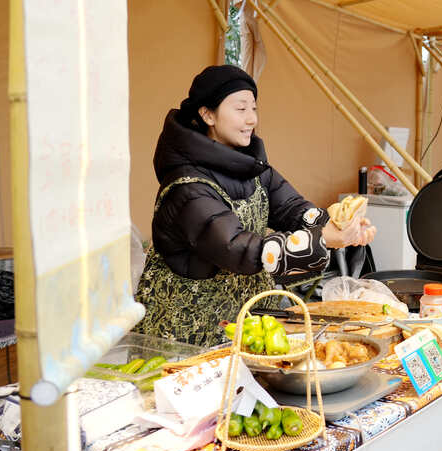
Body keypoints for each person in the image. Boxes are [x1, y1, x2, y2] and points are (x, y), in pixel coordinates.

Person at [133, 65, 376, 345]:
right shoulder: (187, 186)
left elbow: (291, 208)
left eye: (254, 108)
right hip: (190, 332)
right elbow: (235, 247)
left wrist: (339, 226)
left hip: (249, 319)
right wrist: (321, 240)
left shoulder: (253, 167)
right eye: (240, 109)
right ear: (207, 114)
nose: (251, 119)